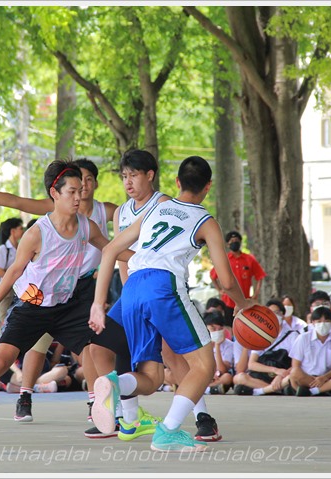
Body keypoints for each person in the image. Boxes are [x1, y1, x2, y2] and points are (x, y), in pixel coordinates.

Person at [0, 160, 132, 446]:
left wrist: (154, 257)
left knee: (101, 345)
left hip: (69, 306)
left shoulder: (87, 225)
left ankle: (111, 413)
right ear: (54, 194)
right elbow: (13, 271)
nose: (78, 196)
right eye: (71, 191)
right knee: (0, 361)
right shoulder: (37, 232)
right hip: (31, 308)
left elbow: (113, 251)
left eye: (80, 190)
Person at [88, 156, 254, 452]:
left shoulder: (156, 208)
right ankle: (168, 431)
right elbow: (227, 281)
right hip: (163, 287)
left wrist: (98, 304)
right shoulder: (206, 221)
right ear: (208, 187)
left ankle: (115, 385)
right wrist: (244, 304)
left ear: (177, 183)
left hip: (133, 289)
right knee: (204, 365)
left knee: (150, 379)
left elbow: (111, 249)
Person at [233, 299, 302, 396]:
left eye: (277, 312)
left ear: (283, 315)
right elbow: (252, 364)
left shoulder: (292, 335)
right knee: (239, 377)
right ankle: (274, 389)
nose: (274, 315)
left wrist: (281, 374)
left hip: (284, 375)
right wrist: (275, 370)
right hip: (264, 375)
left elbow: (297, 363)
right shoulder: (260, 335)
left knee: (292, 376)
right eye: (270, 313)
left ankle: (260, 391)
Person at [288, 307, 331, 396]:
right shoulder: (303, 338)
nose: (322, 324)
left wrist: (323, 378)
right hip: (307, 377)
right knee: (294, 372)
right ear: (313, 323)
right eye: (319, 321)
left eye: (326, 321)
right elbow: (295, 365)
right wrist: (314, 380)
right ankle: (324, 390)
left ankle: (313, 391)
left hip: (327, 378)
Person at [209, 231, 266, 306]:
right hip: (227, 302)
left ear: (240, 242)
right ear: (227, 244)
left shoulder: (249, 259)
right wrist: (219, 290)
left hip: (245, 302)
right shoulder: (224, 260)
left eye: (236, 240)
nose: (234, 242)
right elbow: (213, 276)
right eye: (232, 241)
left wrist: (256, 295)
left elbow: (260, 276)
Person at [0, 218, 25, 320]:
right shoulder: (3, 249)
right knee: (4, 319)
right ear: (13, 231)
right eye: (21, 228)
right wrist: (14, 277)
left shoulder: (22, 247)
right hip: (6, 289)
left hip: (20, 288)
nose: (23, 231)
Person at [203, 311, 234, 395]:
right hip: (203, 375)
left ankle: (204, 389)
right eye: (213, 328)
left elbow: (222, 370)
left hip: (219, 376)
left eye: (220, 329)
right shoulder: (200, 344)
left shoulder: (229, 345)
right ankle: (210, 389)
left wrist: (217, 346)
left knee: (227, 378)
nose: (216, 331)